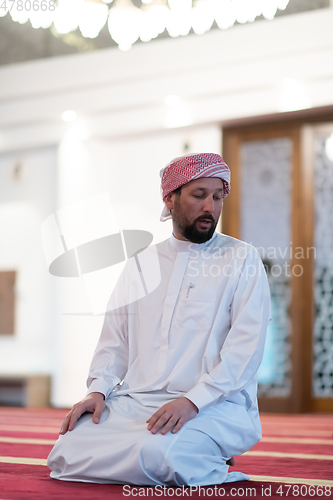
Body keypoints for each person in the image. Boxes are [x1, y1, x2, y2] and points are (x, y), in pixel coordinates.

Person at [47, 152, 271, 486]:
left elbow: (245, 351)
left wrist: (193, 401)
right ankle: (196, 449)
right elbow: (115, 342)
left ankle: (209, 449)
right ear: (170, 198)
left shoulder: (242, 259)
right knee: (67, 451)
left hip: (212, 404)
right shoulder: (142, 264)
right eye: (199, 195)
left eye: (217, 196)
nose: (210, 207)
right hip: (138, 402)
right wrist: (98, 392)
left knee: (159, 455)